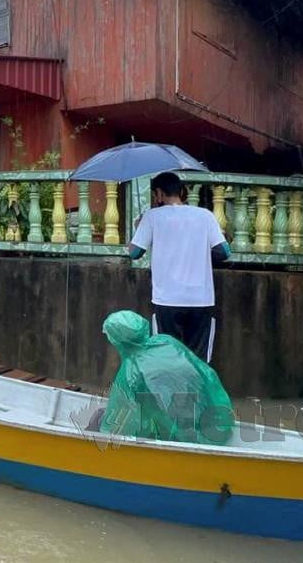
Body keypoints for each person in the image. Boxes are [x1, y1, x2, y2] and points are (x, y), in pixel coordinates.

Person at [128, 171, 230, 362]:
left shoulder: (151, 217)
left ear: (158, 193)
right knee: (198, 359)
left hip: (167, 299)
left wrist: (137, 228)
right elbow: (224, 252)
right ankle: (195, 392)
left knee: (167, 355)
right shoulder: (205, 216)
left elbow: (134, 253)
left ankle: (170, 392)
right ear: (181, 191)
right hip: (201, 299)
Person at [98, 310, 233, 445]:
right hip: (213, 423)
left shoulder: (130, 371)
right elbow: (205, 373)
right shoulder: (166, 341)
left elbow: (117, 424)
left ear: (117, 340)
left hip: (180, 437)